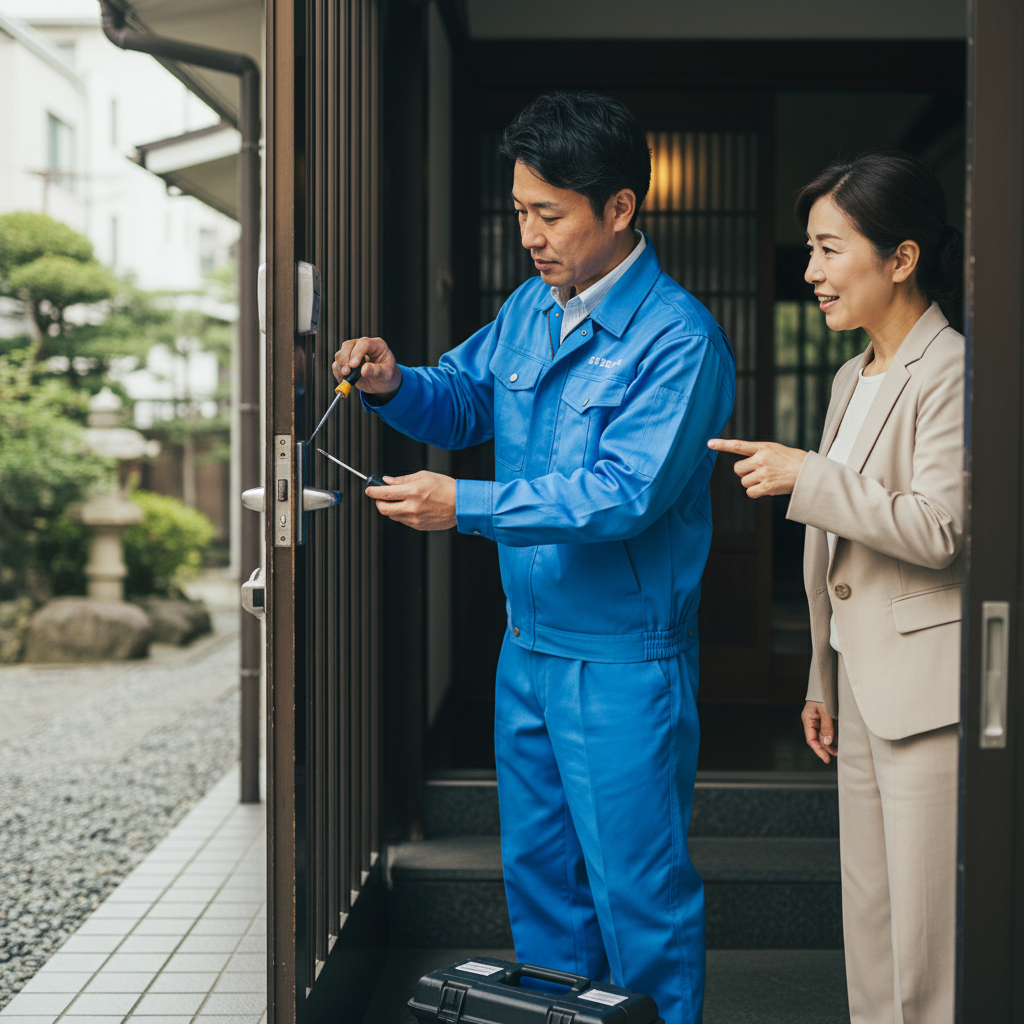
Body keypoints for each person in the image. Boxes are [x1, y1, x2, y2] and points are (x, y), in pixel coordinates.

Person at [332, 92, 734, 1023]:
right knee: (544, 888)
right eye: (520, 212)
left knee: (640, 901)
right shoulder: (528, 306)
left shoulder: (678, 340)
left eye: (549, 214)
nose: (530, 236)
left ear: (621, 208)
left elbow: (622, 495)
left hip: (624, 660)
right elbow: (464, 401)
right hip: (531, 647)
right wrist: (396, 384)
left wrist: (461, 503)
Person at [709, 151, 963, 1024]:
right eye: (809, 250)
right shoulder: (852, 376)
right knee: (873, 919)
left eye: (828, 248)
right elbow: (841, 553)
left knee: (930, 940)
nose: (811, 273)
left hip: (931, 698)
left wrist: (806, 474)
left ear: (901, 258)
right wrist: (822, 674)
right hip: (860, 684)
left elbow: (941, 530)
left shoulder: (955, 371)